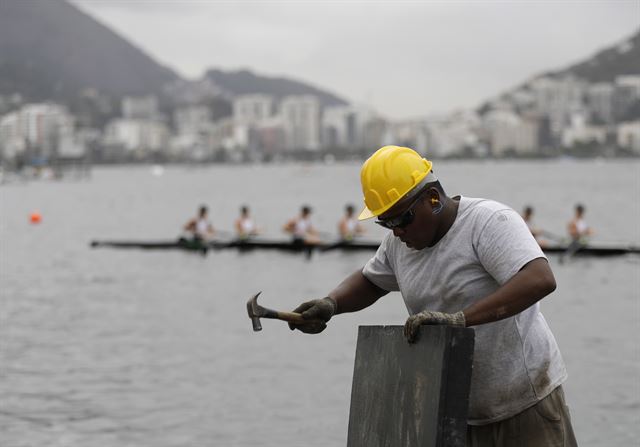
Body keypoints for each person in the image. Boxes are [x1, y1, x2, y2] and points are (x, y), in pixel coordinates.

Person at [288, 146, 577, 447]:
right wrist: (332, 304)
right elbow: (370, 281)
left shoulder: (488, 223)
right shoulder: (398, 246)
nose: (396, 231)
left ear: (433, 199)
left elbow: (539, 279)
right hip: (456, 413)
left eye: (402, 219)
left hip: (525, 403)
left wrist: (459, 320)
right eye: (385, 223)